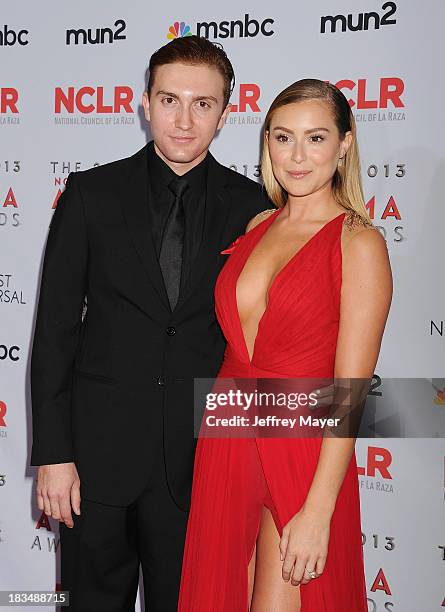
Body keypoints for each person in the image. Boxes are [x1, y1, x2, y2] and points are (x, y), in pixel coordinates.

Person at [29, 36, 270, 611]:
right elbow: (55, 331)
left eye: (203, 104)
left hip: (200, 465)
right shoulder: (91, 194)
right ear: (144, 102)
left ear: (226, 112)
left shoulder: (254, 207)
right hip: (95, 464)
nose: (184, 121)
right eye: (170, 100)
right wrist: (54, 455)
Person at [178, 78, 393, 610]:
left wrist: (319, 509)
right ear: (266, 143)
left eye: (315, 138)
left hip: (302, 446)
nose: (297, 156)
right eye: (282, 137)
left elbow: (349, 393)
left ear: (344, 144)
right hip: (227, 440)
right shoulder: (257, 226)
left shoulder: (358, 242)